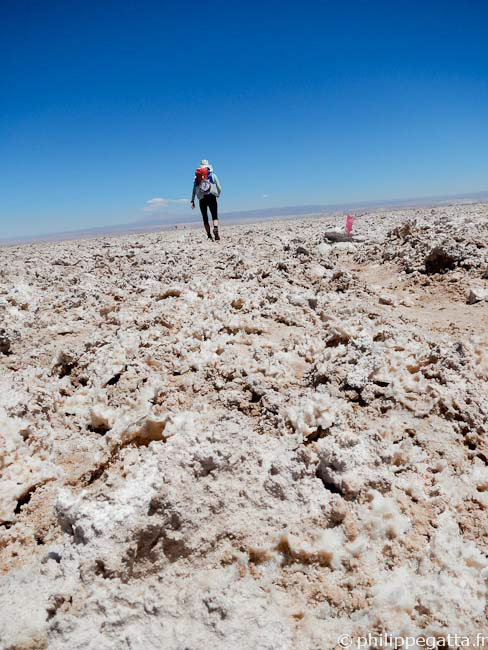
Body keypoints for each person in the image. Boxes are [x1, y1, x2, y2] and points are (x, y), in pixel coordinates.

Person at [191, 159, 222, 241]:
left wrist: (192, 200)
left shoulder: (196, 178)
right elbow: (219, 186)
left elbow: (194, 190)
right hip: (211, 196)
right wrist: (218, 194)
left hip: (202, 198)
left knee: (205, 218)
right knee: (214, 215)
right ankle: (215, 228)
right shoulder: (212, 175)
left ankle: (209, 235)